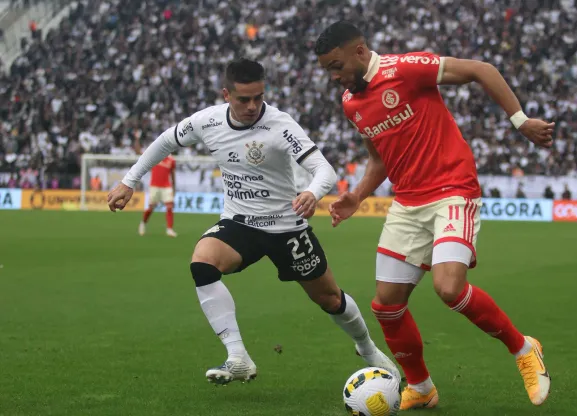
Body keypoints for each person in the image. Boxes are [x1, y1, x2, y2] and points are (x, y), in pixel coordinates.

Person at [107, 57, 399, 385]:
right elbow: (166, 141)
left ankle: (366, 347)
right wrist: (130, 181)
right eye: (244, 99)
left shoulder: (280, 124)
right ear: (226, 95)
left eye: (259, 97)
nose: (252, 106)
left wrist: (313, 193)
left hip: (287, 226)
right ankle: (238, 356)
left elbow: (324, 170)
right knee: (202, 263)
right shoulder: (207, 121)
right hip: (240, 222)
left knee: (328, 298)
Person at [314, 21, 553, 409]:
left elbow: (481, 70)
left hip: (452, 191)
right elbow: (379, 158)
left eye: (336, 65)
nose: (334, 76)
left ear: (359, 51)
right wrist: (357, 195)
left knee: (448, 287)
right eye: (328, 69)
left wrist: (520, 121)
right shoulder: (351, 103)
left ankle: (523, 347)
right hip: (407, 203)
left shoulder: (404, 69)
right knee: (386, 304)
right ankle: (422, 388)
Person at [133, 132, 177, 237]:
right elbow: (138, 152)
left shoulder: (171, 160)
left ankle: (169, 229)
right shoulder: (155, 155)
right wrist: (137, 139)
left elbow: (173, 175)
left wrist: (174, 188)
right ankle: (143, 223)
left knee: (169, 207)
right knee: (151, 207)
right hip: (155, 186)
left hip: (167, 186)